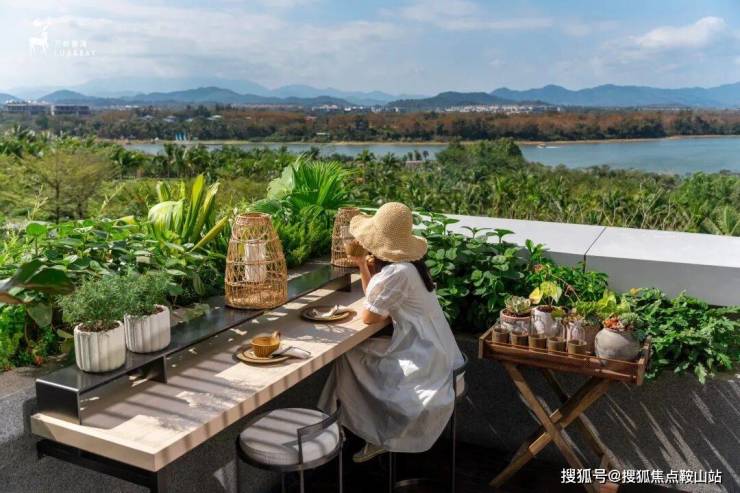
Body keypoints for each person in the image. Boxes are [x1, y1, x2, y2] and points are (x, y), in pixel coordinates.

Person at [319, 202, 464, 463]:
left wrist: (365, 265)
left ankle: (369, 431)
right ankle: (339, 423)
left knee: (349, 357)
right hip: (442, 354)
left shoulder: (397, 273)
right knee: (355, 357)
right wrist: (363, 265)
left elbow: (369, 316)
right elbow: (377, 302)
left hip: (424, 361)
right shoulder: (413, 265)